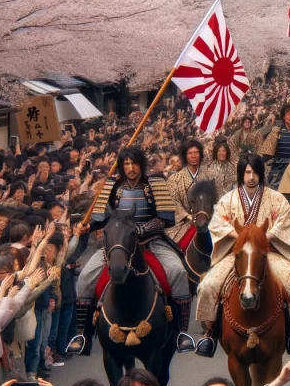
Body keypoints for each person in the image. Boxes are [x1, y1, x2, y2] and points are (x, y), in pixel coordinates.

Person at [68, 146, 195, 355]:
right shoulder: (112, 185)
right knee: (85, 279)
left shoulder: (155, 182)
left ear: (141, 164)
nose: (130, 168)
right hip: (117, 244)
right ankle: (82, 335)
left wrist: (140, 230)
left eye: (134, 163)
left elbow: (164, 218)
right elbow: (100, 219)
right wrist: (87, 227)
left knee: (178, 272)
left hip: (150, 241)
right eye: (126, 164)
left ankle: (182, 333)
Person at [194, 153, 290, 358]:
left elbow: (286, 221)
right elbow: (218, 224)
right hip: (236, 254)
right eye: (247, 172)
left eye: (255, 172)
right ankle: (209, 332)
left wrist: (264, 237)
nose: (251, 177)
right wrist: (240, 236)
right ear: (241, 174)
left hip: (268, 253)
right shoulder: (228, 199)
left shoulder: (275, 198)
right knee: (208, 285)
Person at [260, 105, 290, 190]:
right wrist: (257, 161)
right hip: (279, 171)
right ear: (283, 116)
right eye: (288, 114)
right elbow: (268, 152)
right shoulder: (277, 131)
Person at [167, 139, 205, 246]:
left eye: (196, 153)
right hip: (184, 222)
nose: (193, 156)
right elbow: (173, 202)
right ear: (185, 156)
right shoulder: (175, 178)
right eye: (190, 153)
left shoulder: (209, 177)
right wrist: (188, 216)